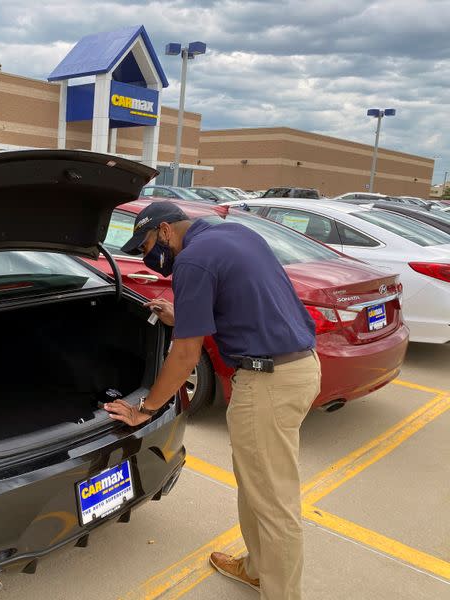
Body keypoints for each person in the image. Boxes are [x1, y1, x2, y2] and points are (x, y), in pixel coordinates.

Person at [105, 201, 320, 600]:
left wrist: (144, 410)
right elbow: (243, 300)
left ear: (166, 232)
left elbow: (186, 355)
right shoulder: (234, 233)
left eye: (147, 244)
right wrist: (183, 314)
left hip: (269, 381)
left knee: (274, 501)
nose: (147, 256)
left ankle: (281, 592)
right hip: (298, 366)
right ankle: (258, 569)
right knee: (256, 483)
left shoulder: (192, 262)